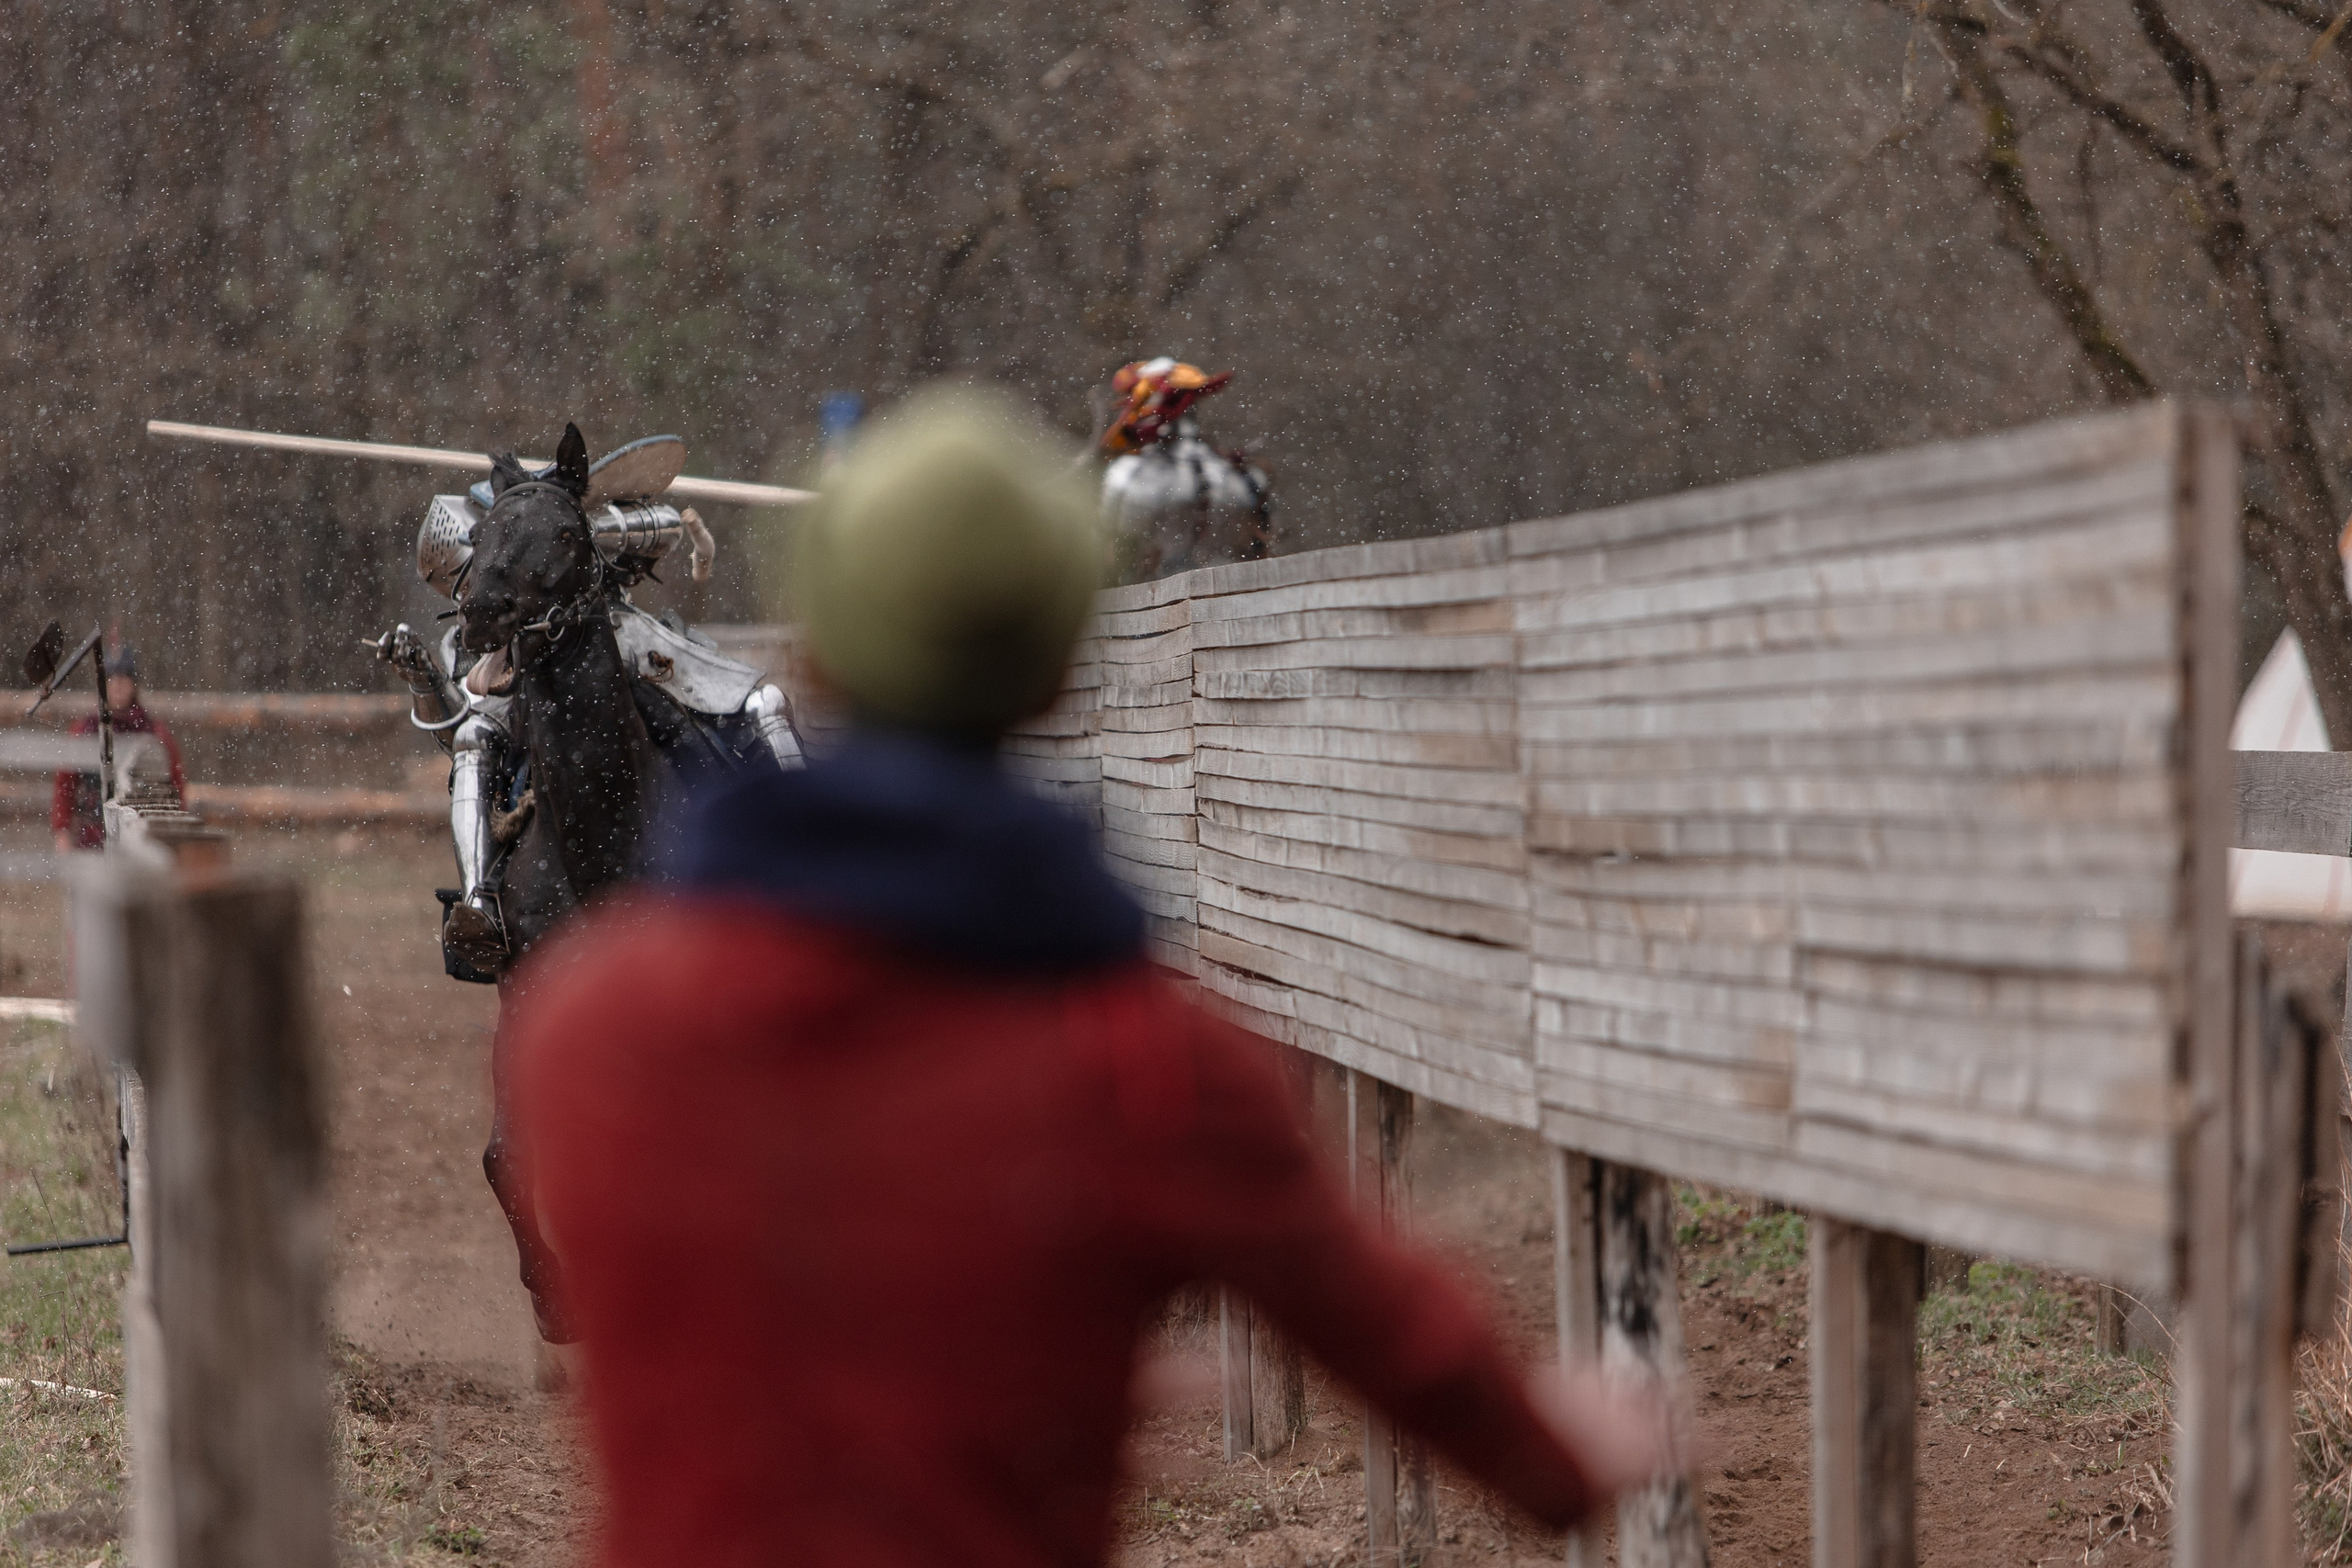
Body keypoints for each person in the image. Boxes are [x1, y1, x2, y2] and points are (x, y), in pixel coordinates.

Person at [499, 391, 1683, 1568]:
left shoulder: (599, 1029)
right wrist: (1571, 1451)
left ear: (814, 655)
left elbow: (793, 1285)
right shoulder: (1151, 1068)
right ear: (1060, 672)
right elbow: (1408, 1349)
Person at [50, 647, 184, 852]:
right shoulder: (85, 731)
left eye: (124, 678)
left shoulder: (154, 733)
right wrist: (62, 831)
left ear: (134, 684)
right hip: (91, 837)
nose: (118, 685)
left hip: (142, 842)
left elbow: (176, 785)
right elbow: (65, 785)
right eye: (112, 679)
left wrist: (173, 832)